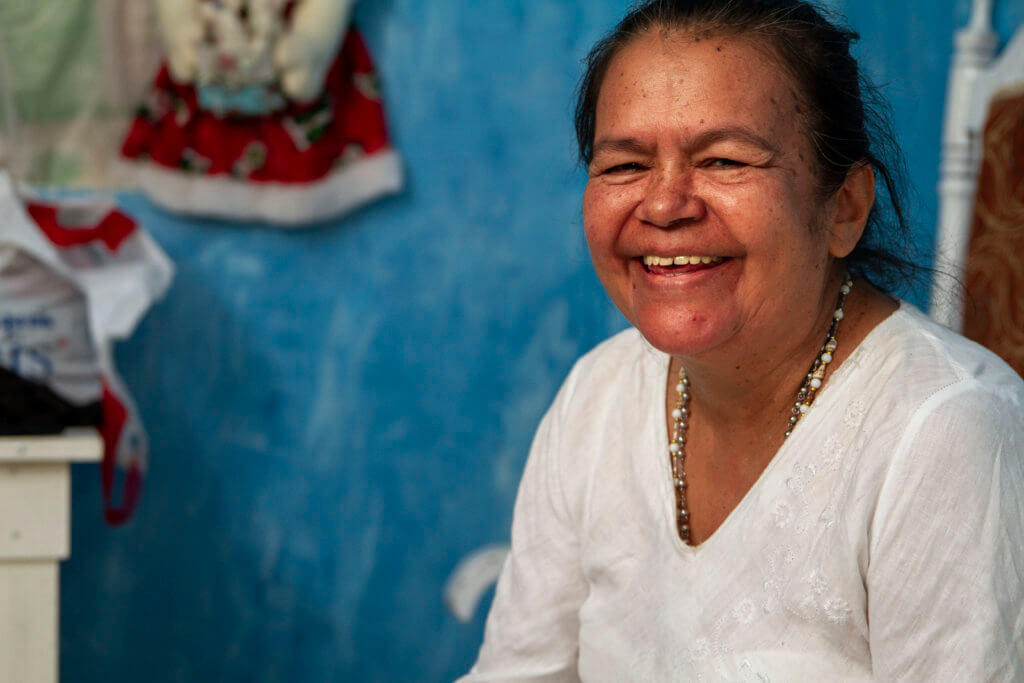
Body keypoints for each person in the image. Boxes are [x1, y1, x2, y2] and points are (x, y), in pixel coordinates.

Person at [460, 0, 1024, 680]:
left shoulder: (944, 433)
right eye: (624, 165)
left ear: (842, 208)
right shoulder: (598, 395)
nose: (665, 205)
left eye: (724, 159)